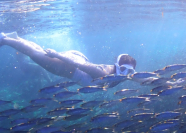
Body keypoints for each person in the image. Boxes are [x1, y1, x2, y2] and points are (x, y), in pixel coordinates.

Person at [0, 32, 136, 87]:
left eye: (129, 72)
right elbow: (79, 64)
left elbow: (139, 78)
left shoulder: (118, 77)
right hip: (69, 67)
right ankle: (5, 39)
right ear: (118, 65)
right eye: (124, 69)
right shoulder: (103, 74)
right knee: (34, 54)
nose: (125, 74)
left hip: (76, 63)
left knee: (39, 53)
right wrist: (57, 55)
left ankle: (16, 38)